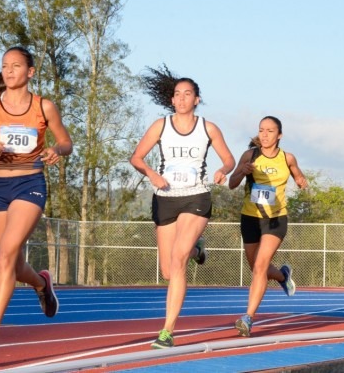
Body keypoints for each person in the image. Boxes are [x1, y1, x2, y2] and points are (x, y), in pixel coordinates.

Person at [0, 46, 73, 364]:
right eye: (4, 66)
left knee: (5, 255)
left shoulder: (44, 106)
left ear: (30, 72)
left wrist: (56, 151)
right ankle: (40, 282)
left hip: (29, 185)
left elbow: (66, 142)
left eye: (16, 66)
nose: (8, 71)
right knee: (13, 263)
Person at [130, 72, 235, 349]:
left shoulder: (207, 128)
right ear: (171, 99)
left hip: (195, 197)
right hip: (165, 197)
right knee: (168, 270)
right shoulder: (160, 126)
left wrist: (223, 170)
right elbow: (136, 157)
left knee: (178, 260)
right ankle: (197, 248)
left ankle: (166, 331)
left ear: (196, 99)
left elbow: (229, 159)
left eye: (187, 93)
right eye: (177, 94)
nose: (181, 98)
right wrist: (151, 174)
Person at [227, 116, 308, 337]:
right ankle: (282, 276)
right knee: (256, 268)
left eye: (270, 131)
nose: (264, 134)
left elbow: (299, 176)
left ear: (279, 135)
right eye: (261, 130)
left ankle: (248, 317)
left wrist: (301, 182)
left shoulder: (287, 158)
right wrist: (242, 171)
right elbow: (231, 183)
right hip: (250, 218)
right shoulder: (250, 155)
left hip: (275, 219)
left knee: (261, 267)